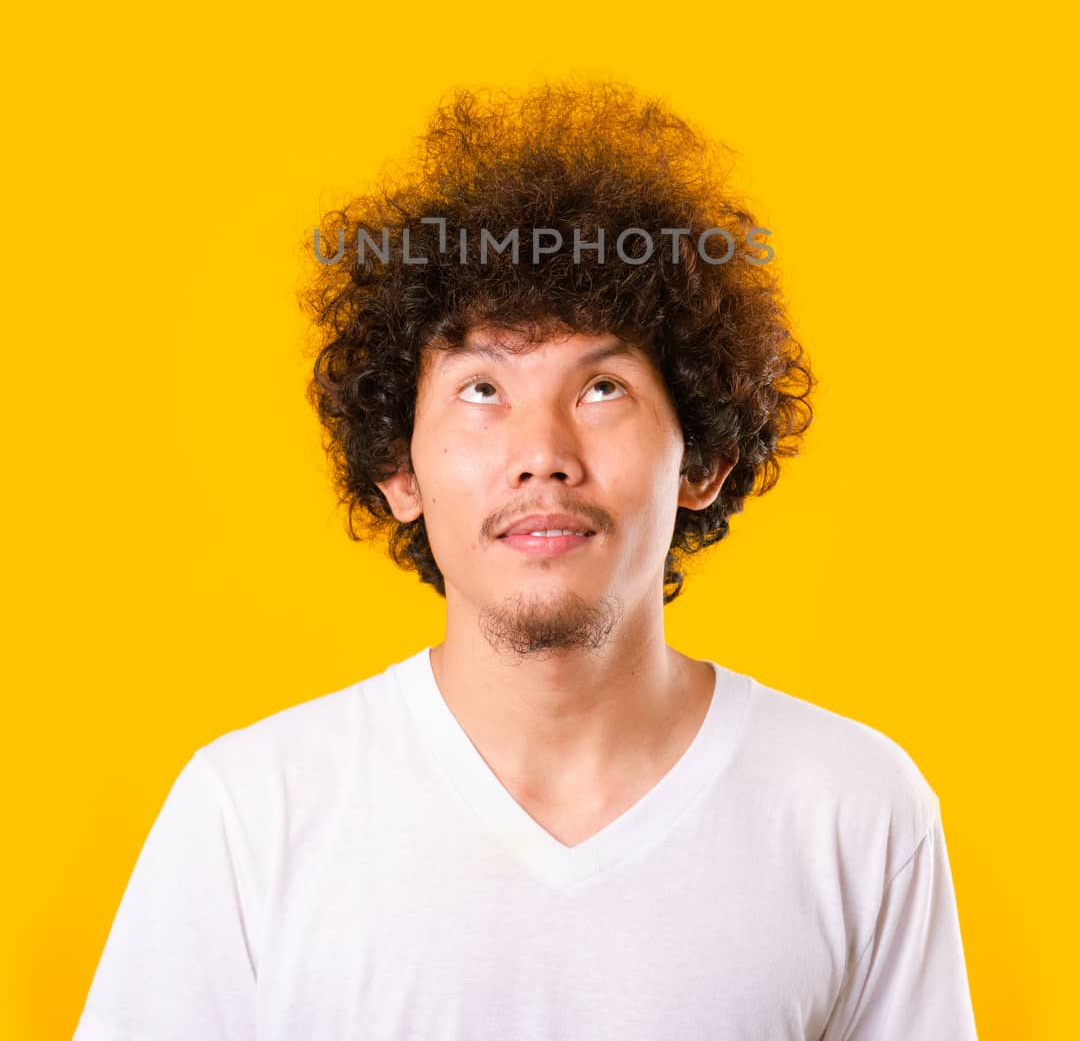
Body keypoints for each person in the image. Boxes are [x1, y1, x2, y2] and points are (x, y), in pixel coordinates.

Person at [73, 80, 980, 1040]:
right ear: (398, 469)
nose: (542, 450)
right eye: (479, 388)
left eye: (601, 386)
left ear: (703, 460)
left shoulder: (856, 811)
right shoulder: (251, 813)